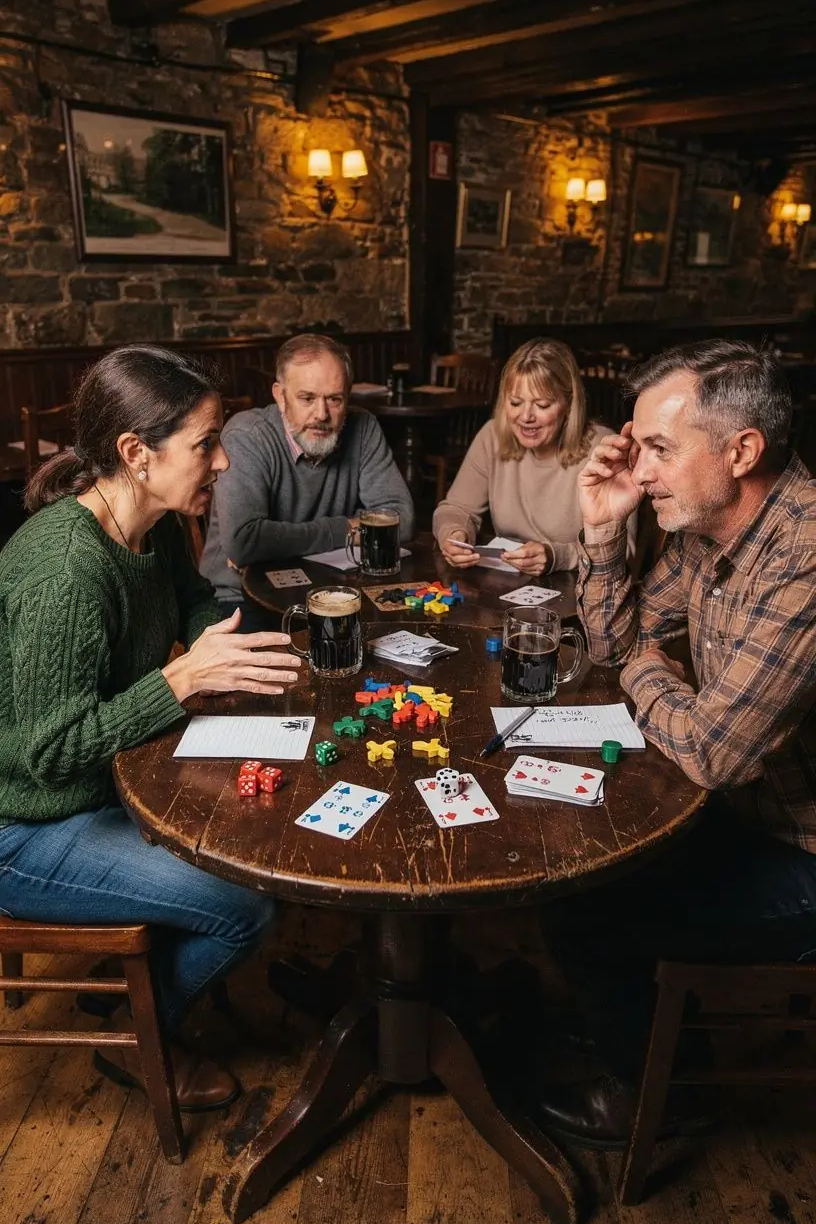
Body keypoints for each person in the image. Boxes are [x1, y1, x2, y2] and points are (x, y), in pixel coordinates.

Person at [0, 346, 302, 1112]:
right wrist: (178, 681)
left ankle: (133, 978)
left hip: (102, 780)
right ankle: (136, 1036)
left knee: (265, 835)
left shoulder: (155, 521)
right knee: (248, 904)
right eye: (205, 443)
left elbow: (195, 600)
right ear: (137, 454)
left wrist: (226, 641)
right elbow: (49, 754)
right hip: (24, 823)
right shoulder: (67, 570)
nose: (225, 460)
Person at [532, 339, 816, 1148]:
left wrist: (648, 674)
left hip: (802, 848)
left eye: (659, 448)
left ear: (742, 450)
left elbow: (715, 751)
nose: (641, 469)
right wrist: (601, 530)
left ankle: (657, 1096)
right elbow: (611, 646)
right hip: (742, 811)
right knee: (577, 862)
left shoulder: (806, 556)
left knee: (590, 911)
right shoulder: (710, 525)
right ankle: (635, 1030)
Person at [201, 333, 414, 613]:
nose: (321, 414)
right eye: (307, 398)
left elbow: (402, 520)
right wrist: (348, 529)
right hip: (238, 598)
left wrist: (274, 540)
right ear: (280, 395)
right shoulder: (247, 435)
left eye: (335, 400)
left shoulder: (363, 428)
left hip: (335, 591)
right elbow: (244, 542)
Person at [432, 339, 634, 576]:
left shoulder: (602, 449)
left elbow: (624, 550)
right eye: (515, 402)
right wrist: (455, 534)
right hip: (510, 585)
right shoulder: (493, 435)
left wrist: (555, 556)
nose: (526, 417)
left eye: (542, 404)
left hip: (581, 590)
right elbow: (456, 508)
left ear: (569, 404)